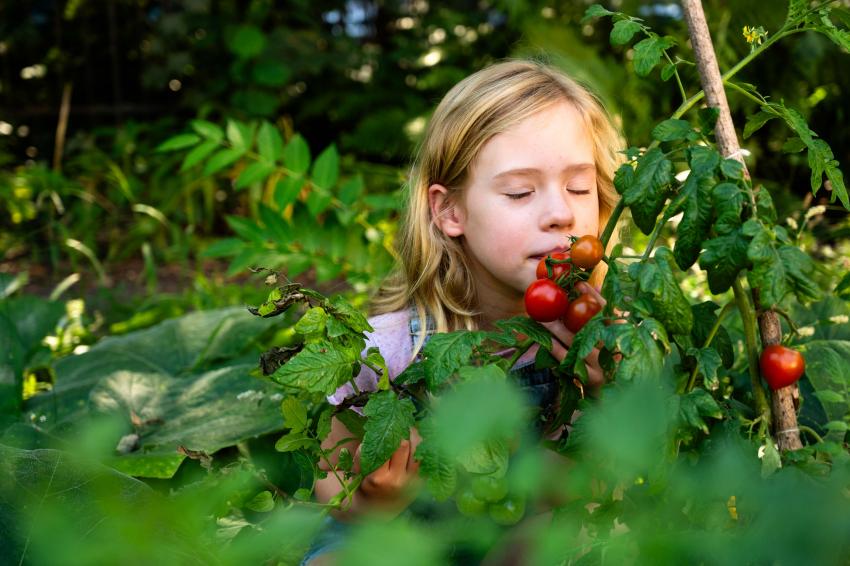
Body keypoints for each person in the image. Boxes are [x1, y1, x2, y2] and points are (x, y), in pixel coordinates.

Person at [303, 58, 624, 565]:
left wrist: (608, 398)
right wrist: (373, 498)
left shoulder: (598, 341)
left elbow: (593, 491)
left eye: (579, 188)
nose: (561, 212)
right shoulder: (392, 350)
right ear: (449, 211)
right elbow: (333, 487)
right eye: (521, 191)